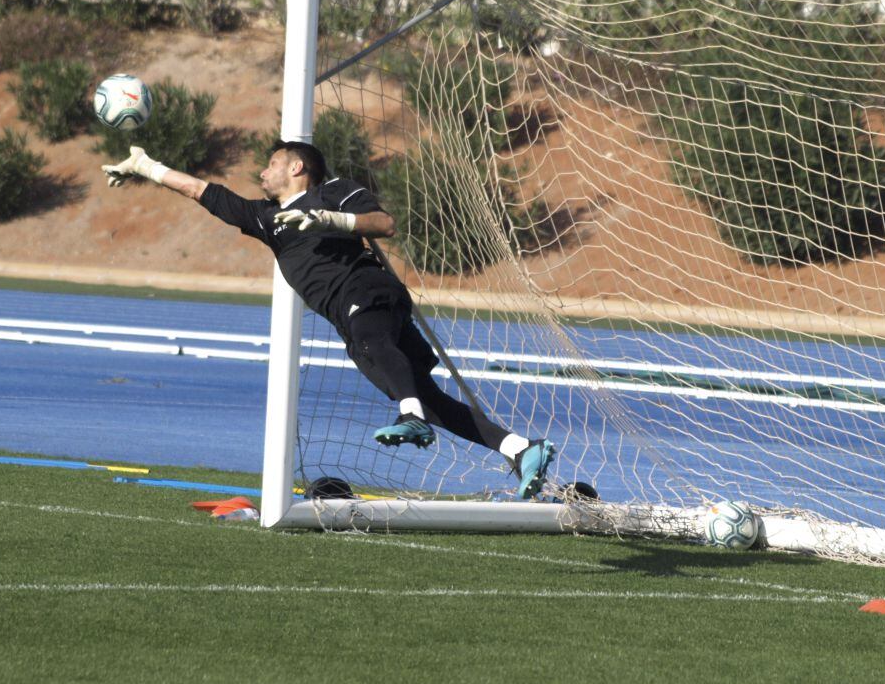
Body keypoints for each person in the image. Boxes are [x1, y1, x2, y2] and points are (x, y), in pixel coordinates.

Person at [101, 140, 555, 498]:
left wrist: (327, 219)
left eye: (271, 162)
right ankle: (519, 449)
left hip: (368, 293)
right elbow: (203, 192)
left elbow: (384, 223)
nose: (262, 171)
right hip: (353, 315)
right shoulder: (266, 218)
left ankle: (410, 415)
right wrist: (147, 168)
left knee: (376, 353)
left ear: (296, 167)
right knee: (431, 399)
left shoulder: (333, 191)